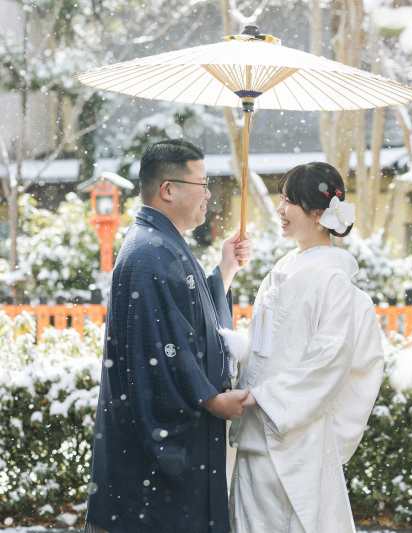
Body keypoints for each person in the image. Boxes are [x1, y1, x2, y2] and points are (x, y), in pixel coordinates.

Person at [84, 139, 253, 533]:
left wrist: (224, 270)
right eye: (203, 184)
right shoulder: (150, 252)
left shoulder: (160, 243)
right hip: (148, 470)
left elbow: (184, 318)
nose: (209, 194)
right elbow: (158, 352)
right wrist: (211, 400)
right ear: (168, 189)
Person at [219, 162, 385, 533]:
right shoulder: (281, 269)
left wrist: (261, 397)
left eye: (289, 201)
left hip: (295, 434)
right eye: (281, 199)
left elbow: (329, 363)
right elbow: (264, 346)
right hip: (255, 431)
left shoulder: (334, 281)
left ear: (316, 213)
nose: (280, 210)